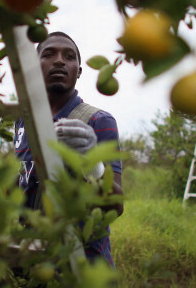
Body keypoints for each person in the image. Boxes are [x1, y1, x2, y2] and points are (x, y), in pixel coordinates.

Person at [14, 31, 123, 267]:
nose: (60, 61)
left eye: (69, 56)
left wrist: (91, 165)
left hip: (82, 263)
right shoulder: (23, 121)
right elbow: (25, 179)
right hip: (31, 258)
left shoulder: (97, 122)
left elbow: (115, 206)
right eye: (49, 54)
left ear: (79, 71)